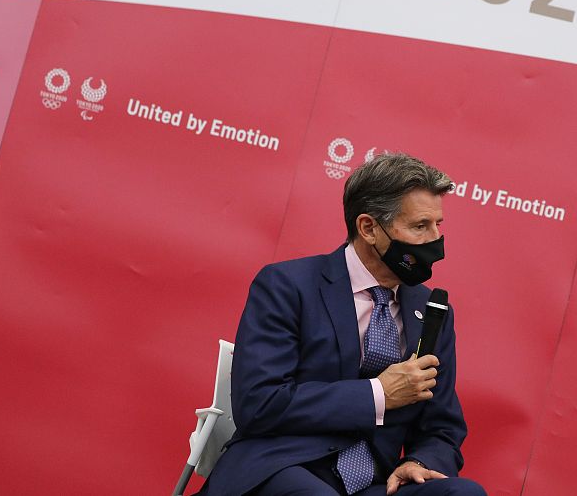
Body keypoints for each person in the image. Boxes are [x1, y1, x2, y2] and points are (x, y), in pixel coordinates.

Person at [199, 152, 484, 496]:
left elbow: (441, 426)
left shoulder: (432, 311)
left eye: (438, 225)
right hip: (282, 467)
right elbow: (260, 404)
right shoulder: (288, 285)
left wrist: (419, 461)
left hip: (372, 483)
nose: (435, 240)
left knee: (463, 494)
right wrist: (378, 394)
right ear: (369, 228)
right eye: (420, 226)